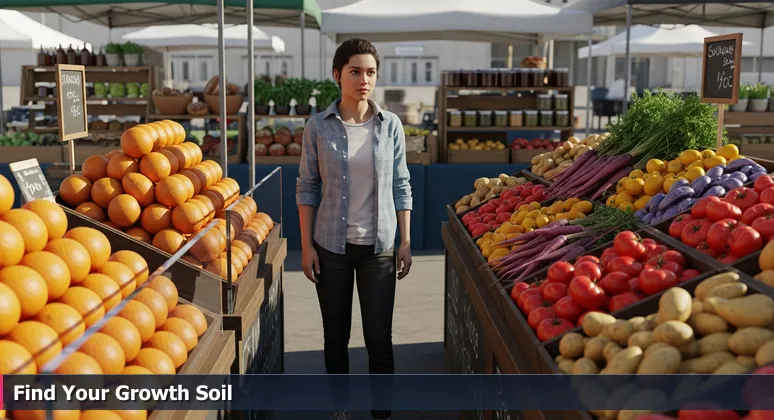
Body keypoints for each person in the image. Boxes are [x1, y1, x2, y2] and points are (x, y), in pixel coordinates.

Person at [295, 38, 413, 420]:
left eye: (371, 72)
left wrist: (405, 240)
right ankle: (341, 411)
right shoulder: (318, 127)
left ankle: (382, 413)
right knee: (336, 338)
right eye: (355, 71)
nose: (364, 80)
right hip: (331, 248)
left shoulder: (390, 125)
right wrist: (306, 246)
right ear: (337, 74)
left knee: (380, 340)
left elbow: (401, 184)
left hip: (379, 248)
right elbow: (307, 186)